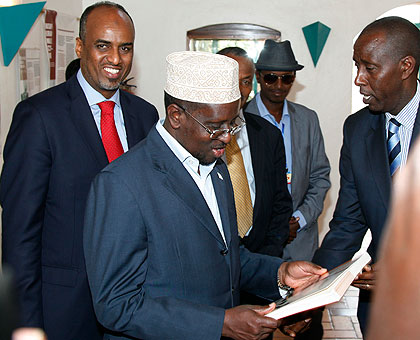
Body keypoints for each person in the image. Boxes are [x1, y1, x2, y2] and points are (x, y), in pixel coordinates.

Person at [83, 50, 327, 340]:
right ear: (176, 116)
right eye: (214, 126)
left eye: (232, 123)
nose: (227, 136)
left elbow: (227, 256)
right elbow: (116, 305)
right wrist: (219, 323)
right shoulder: (120, 185)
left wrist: (280, 273)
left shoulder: (218, 169)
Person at [0, 2, 159, 340]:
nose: (115, 58)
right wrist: (25, 325)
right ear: (80, 47)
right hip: (64, 312)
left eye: (125, 48)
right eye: (103, 45)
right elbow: (19, 236)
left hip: (136, 309)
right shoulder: (39, 117)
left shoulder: (146, 117)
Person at [312, 16, 420, 335]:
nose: (359, 79)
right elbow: (348, 224)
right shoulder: (358, 129)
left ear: (406, 66)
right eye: (357, 65)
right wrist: (310, 292)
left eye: (369, 67)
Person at [245, 39, 330, 262]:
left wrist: (299, 219)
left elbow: (320, 178)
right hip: (257, 243)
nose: (279, 85)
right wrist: (276, 224)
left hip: (301, 241)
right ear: (258, 76)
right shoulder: (242, 119)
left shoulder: (308, 119)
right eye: (271, 77)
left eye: (287, 78)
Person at [217, 47, 292, 257]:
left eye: (246, 81)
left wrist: (270, 255)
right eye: (231, 79)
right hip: (212, 262)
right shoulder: (196, 136)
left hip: (262, 259)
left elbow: (280, 202)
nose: (240, 89)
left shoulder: (269, 134)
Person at [366, 138, 420, 340]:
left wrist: (398, 270)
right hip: (380, 308)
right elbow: (348, 221)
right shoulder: (358, 128)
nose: (364, 103)